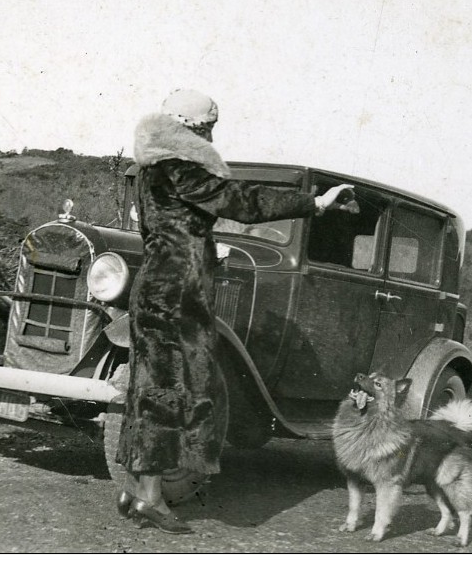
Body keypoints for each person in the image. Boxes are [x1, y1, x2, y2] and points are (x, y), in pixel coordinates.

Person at [115, 88, 353, 534]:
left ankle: (134, 484)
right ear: (192, 127)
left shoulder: (150, 167)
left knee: (150, 383)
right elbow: (240, 202)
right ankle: (149, 495)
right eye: (209, 126)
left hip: (157, 285)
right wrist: (314, 203)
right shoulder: (179, 167)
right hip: (177, 293)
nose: (213, 133)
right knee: (174, 387)